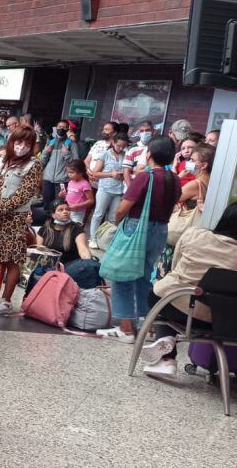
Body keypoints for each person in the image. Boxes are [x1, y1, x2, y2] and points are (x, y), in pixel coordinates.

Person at [96, 137, 181, 343]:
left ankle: (126, 329)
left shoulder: (145, 177)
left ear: (149, 154)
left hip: (136, 228)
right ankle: (146, 326)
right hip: (160, 230)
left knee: (122, 276)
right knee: (144, 277)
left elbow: (124, 207)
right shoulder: (174, 178)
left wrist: (117, 222)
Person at [139, 201, 237, 375]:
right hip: (222, 322)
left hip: (176, 304)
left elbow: (175, 268)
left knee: (162, 292)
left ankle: (166, 356)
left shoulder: (194, 235)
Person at [0, 127, 43, 314]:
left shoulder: (33, 165)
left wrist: (0, 209)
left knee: (12, 260)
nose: (22, 146)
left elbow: (25, 193)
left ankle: (6, 301)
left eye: (27, 143)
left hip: (14, 219)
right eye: (18, 142)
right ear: (11, 142)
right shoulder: (4, 161)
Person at [89, 132, 129, 247]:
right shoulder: (104, 154)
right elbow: (95, 173)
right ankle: (93, 238)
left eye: (123, 146)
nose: (121, 148)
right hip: (105, 188)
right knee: (98, 214)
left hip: (119, 190)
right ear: (113, 143)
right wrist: (111, 174)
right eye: (119, 145)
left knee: (114, 217)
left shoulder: (125, 155)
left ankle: (108, 240)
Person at [40, 119, 82, 207]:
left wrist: (67, 153)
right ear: (56, 128)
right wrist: (45, 152)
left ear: (67, 129)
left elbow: (76, 163)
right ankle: (47, 219)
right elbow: (42, 162)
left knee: (59, 203)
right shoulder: (50, 142)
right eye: (59, 127)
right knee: (46, 201)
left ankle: (56, 220)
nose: (61, 129)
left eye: (64, 127)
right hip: (48, 178)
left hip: (63, 180)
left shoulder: (72, 144)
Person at [36, 199, 92, 264]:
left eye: (67, 209)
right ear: (53, 215)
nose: (65, 212)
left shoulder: (76, 228)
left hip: (71, 266)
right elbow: (39, 248)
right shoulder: (44, 229)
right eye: (60, 210)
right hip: (49, 265)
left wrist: (88, 262)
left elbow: (83, 249)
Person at [122, 119, 155, 184]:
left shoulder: (156, 147)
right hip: (134, 185)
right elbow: (126, 171)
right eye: (142, 131)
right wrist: (130, 188)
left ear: (153, 131)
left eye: (148, 130)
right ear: (139, 132)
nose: (145, 133)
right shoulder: (132, 149)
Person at [62, 159, 93, 225]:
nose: (69, 174)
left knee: (75, 229)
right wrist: (63, 195)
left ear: (80, 173)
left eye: (72, 172)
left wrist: (77, 206)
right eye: (68, 172)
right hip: (68, 209)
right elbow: (72, 194)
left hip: (78, 212)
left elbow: (91, 200)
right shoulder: (71, 182)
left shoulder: (85, 184)